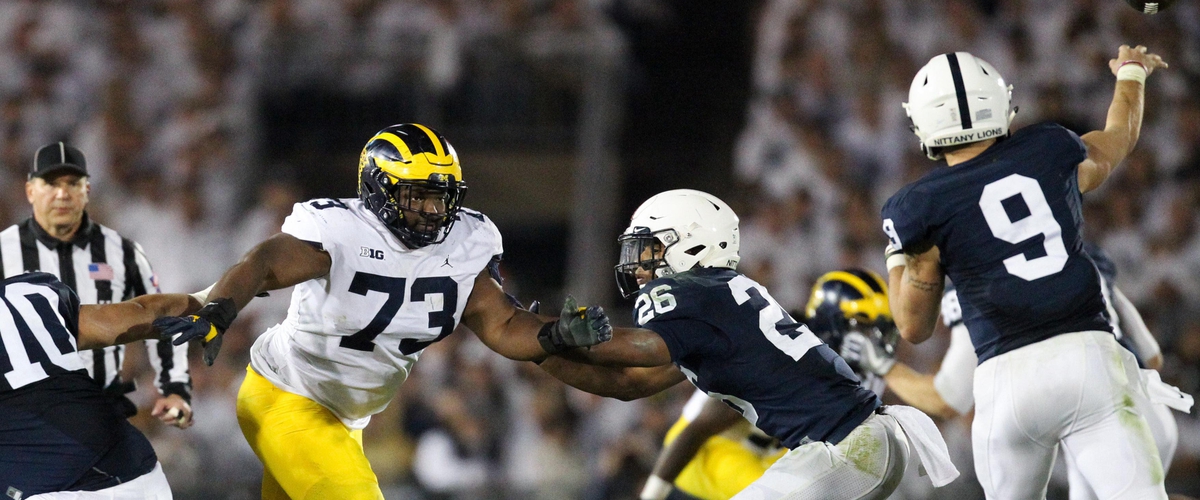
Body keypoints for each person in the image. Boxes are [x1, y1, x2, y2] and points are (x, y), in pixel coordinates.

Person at [155, 123, 611, 499]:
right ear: (378, 189)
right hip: (287, 395)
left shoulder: (467, 240)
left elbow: (504, 323)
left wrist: (553, 335)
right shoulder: (340, 229)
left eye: (442, 196)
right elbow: (264, 262)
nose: (433, 211)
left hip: (345, 418)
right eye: (418, 196)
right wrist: (220, 309)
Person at [881, 46, 1185, 499]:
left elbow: (912, 327)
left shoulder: (915, 207)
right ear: (999, 103)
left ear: (922, 124)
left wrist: (910, 261)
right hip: (1090, 359)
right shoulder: (1047, 147)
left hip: (1008, 381)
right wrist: (1132, 74)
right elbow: (1118, 137)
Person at [539, 189, 958, 500]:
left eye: (652, 248)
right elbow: (635, 385)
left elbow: (642, 356)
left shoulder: (698, 297)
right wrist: (547, 352)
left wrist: (576, 337)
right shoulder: (727, 304)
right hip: (844, 448)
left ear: (692, 242)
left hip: (842, 448)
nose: (640, 263)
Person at [842, 244, 1188, 500]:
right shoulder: (1075, 252)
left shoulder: (973, 282)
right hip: (1138, 405)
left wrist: (885, 367)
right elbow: (1152, 357)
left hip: (1102, 419)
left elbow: (950, 398)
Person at [635, 269, 898, 500]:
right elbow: (697, 431)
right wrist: (653, 494)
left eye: (878, 329)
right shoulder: (779, 358)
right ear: (834, 322)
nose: (873, 340)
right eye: (863, 328)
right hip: (710, 449)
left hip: (771, 454)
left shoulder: (861, 375)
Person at [0, 142, 192, 428]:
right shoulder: (4, 251)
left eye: (72, 183)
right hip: (34, 412)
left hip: (108, 407)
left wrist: (175, 389)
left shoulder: (122, 251)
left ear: (86, 190)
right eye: (51, 183)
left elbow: (161, 314)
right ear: (31, 191)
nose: (62, 194)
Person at [0, 272, 200, 499]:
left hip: (51, 485)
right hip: (139, 472)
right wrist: (211, 302)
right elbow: (145, 313)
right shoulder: (33, 293)